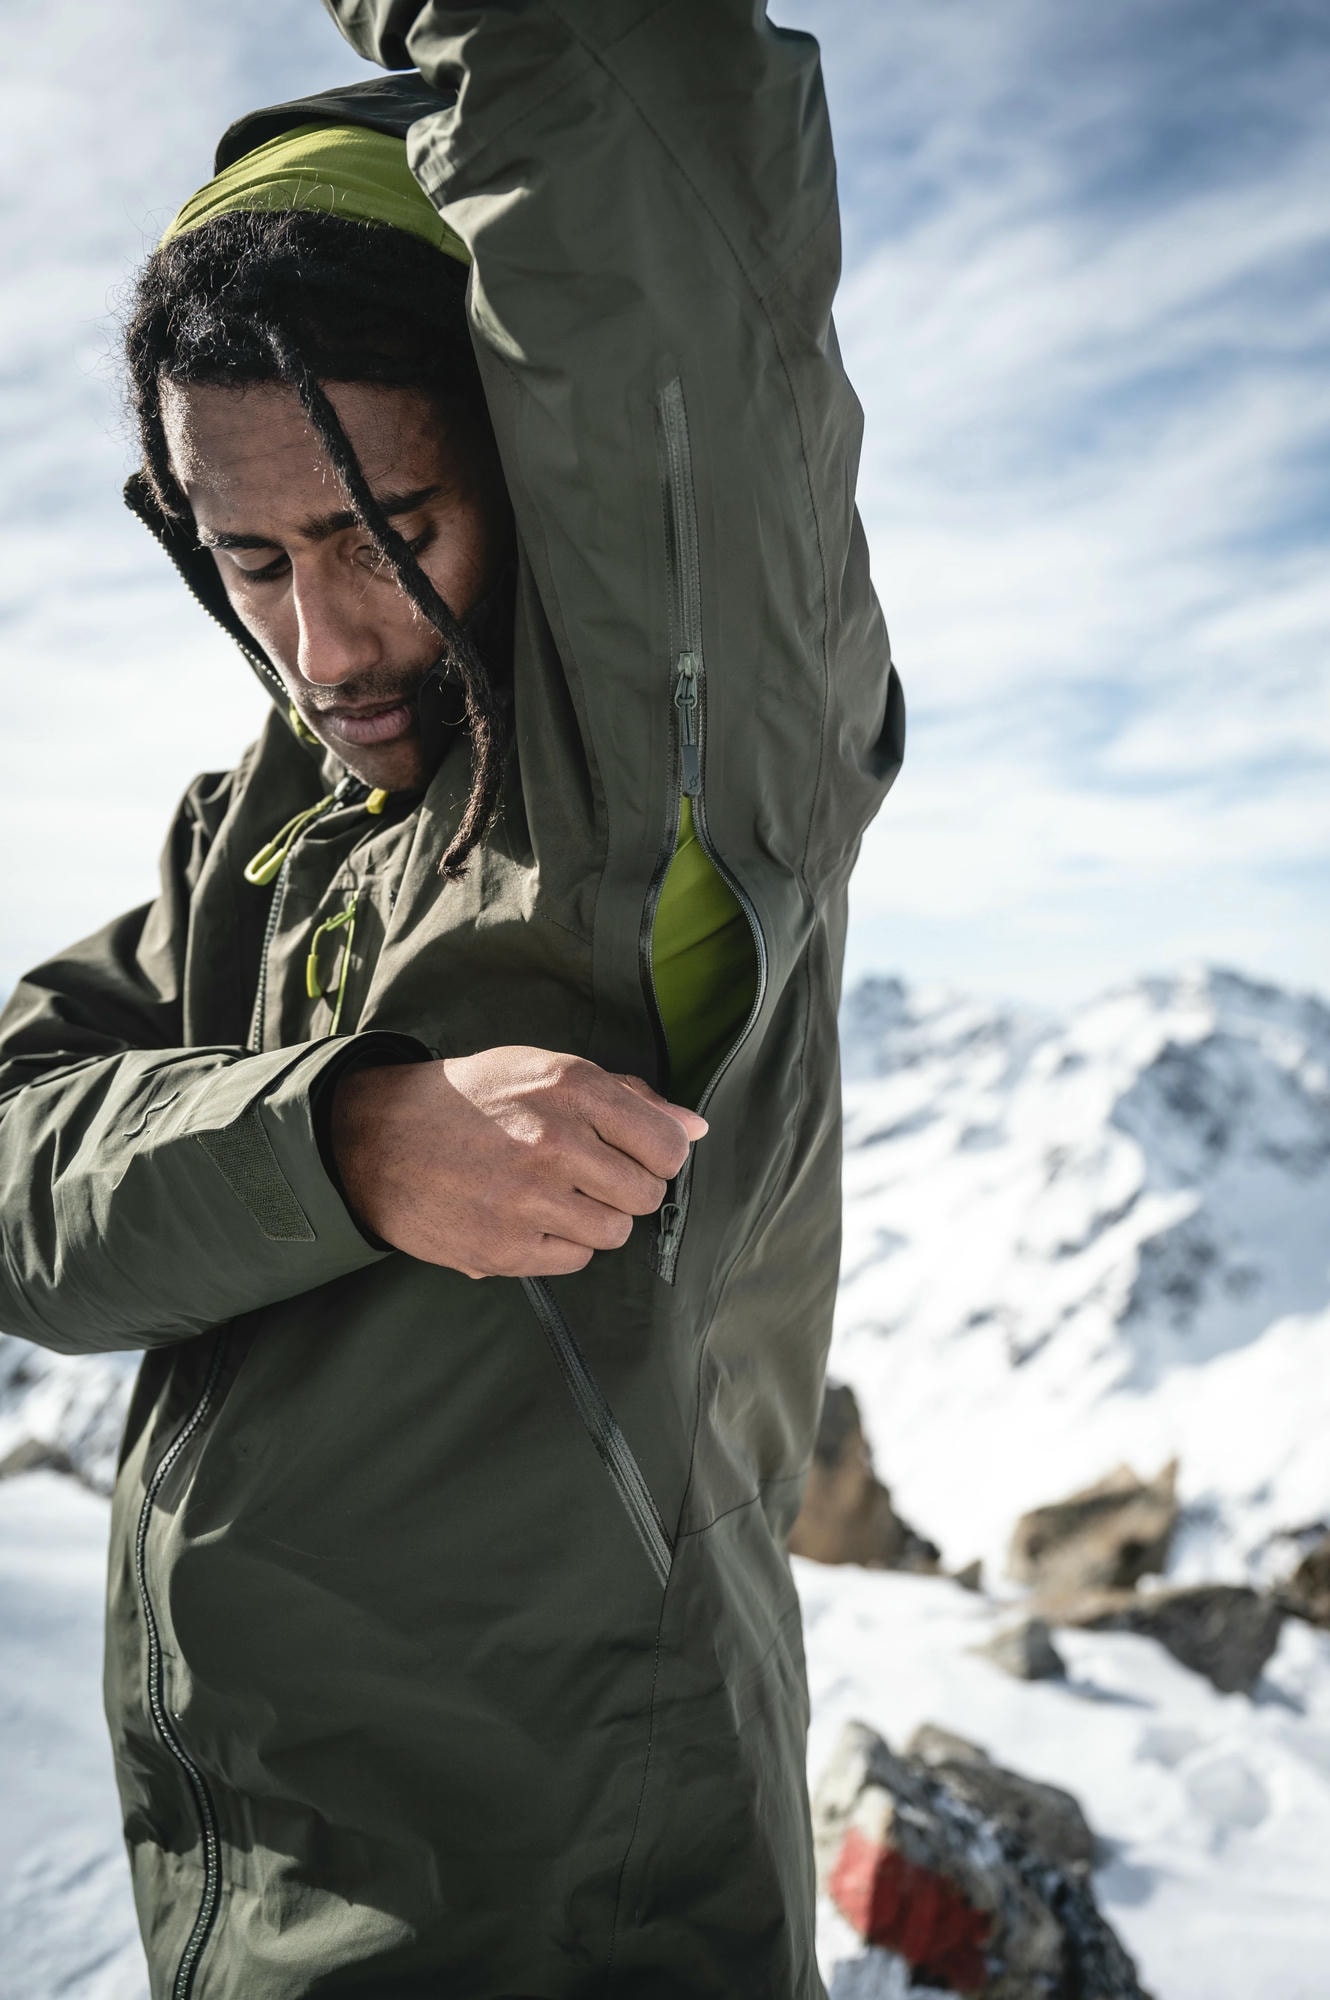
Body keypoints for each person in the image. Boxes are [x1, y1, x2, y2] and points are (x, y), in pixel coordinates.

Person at [0, 5, 903, 1995]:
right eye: (249, 563)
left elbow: (617, 78)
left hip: (560, 1920)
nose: (320, 642)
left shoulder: (660, 759)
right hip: (247, 1906)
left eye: (380, 534)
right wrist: (334, 1136)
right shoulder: (254, 832)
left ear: (521, 462)